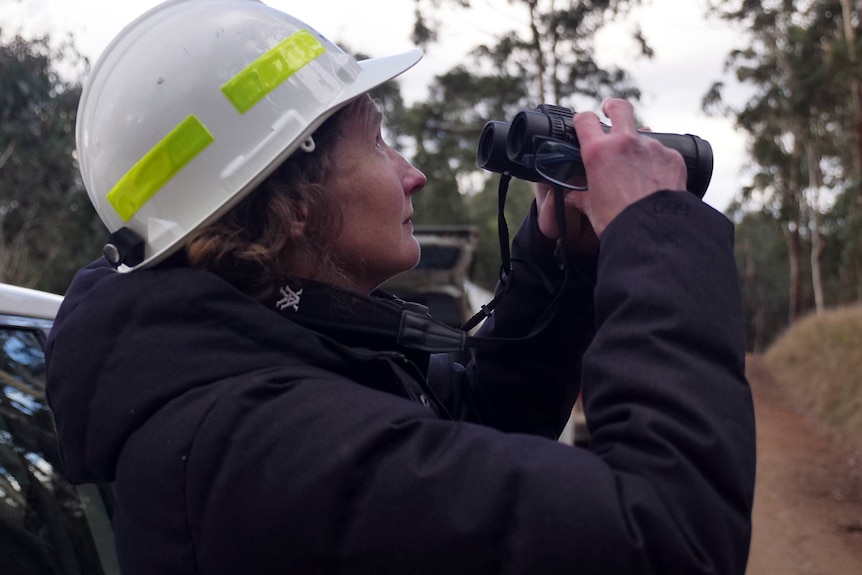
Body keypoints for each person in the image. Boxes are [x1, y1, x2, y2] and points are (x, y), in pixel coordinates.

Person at [45, 1, 756, 574]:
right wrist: (655, 228)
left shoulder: (256, 374)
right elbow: (666, 534)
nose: (411, 173)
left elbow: (471, 419)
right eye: (380, 143)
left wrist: (557, 260)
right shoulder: (265, 449)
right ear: (291, 204)